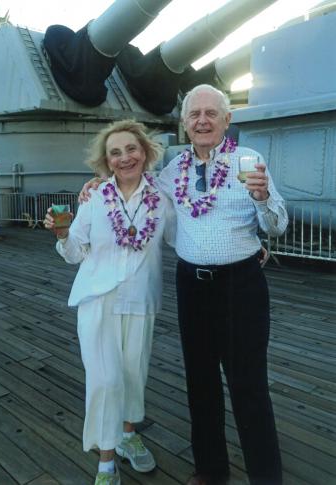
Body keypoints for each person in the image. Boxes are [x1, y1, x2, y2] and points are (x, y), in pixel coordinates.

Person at [79, 84, 288, 485]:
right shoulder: (172, 171)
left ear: (227, 120)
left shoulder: (251, 160)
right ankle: (211, 470)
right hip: (193, 286)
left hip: (240, 286)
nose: (203, 121)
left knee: (249, 386)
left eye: (212, 113)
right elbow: (132, 185)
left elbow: (277, 225)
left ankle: (266, 477)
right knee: (200, 383)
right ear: (185, 124)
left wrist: (262, 199)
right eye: (195, 115)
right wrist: (95, 183)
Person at [44, 119, 176, 485]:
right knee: (104, 379)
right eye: (115, 153)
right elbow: (74, 253)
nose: (124, 158)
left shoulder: (163, 199)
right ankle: (105, 460)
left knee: (134, 375)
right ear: (106, 160)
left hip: (141, 299)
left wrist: (245, 246)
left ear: (146, 152)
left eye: (131, 149)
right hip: (97, 299)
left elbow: (185, 238)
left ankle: (129, 435)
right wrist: (62, 234)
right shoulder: (95, 197)